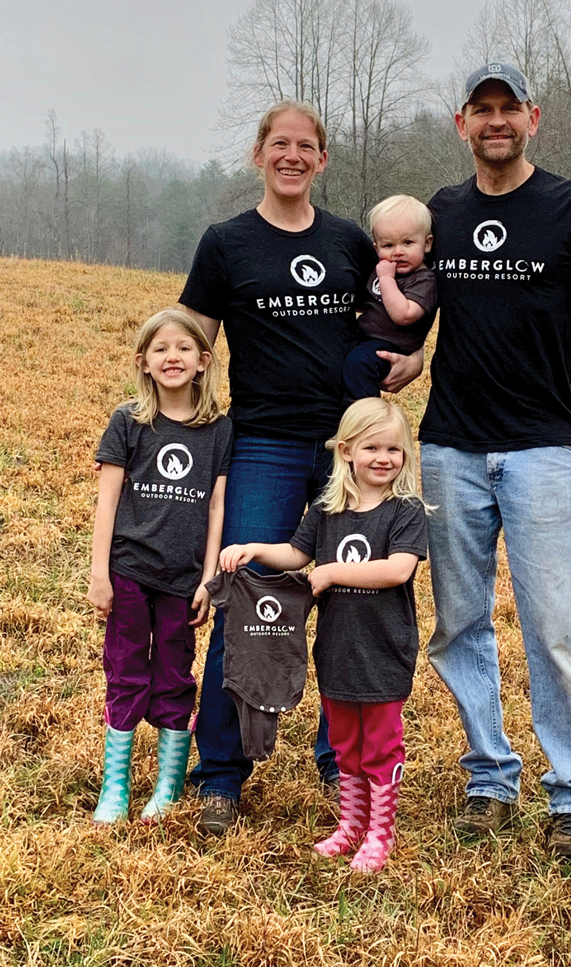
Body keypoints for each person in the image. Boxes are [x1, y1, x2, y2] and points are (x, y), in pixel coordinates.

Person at [420, 63, 571, 860]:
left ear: (533, 117)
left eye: (508, 107)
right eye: (481, 109)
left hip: (543, 448)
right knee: (458, 624)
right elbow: (414, 320)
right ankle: (489, 776)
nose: (496, 121)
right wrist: (384, 368)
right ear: (461, 123)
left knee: (556, 627)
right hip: (449, 446)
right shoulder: (440, 213)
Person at [179, 101, 423, 836]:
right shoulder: (226, 243)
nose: (292, 155)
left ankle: (340, 762)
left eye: (305, 146)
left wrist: (414, 358)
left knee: (351, 597)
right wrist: (174, 426)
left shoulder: (349, 241)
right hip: (262, 445)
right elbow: (192, 341)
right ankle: (221, 772)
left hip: (344, 448)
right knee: (247, 593)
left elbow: (392, 318)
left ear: (322, 159)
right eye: (278, 144)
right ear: (258, 154)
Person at [218, 398, 427, 873]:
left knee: (380, 744)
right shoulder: (328, 510)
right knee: (345, 743)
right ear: (346, 450)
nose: (383, 458)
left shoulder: (405, 511)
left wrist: (332, 572)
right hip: (336, 648)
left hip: (383, 650)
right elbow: (296, 554)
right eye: (371, 447)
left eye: (394, 449)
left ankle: (380, 832)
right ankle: (351, 825)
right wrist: (254, 549)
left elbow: (398, 569)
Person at [88, 309, 233, 825]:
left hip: (183, 579)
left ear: (203, 360)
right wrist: (99, 573)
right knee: (126, 671)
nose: (173, 356)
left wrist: (209, 578)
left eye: (184, 348)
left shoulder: (219, 429)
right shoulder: (128, 422)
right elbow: (107, 502)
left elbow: (216, 507)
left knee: (174, 675)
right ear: (143, 362)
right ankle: (116, 786)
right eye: (161, 349)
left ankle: (168, 785)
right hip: (128, 570)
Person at [342, 195, 437, 402]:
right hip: (365, 337)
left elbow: (404, 315)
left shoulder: (424, 280)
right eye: (388, 245)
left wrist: (386, 279)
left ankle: (363, 413)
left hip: (392, 345)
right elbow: (367, 301)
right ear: (376, 249)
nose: (398, 252)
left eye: (408, 242)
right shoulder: (383, 270)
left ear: (427, 244)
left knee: (360, 365)